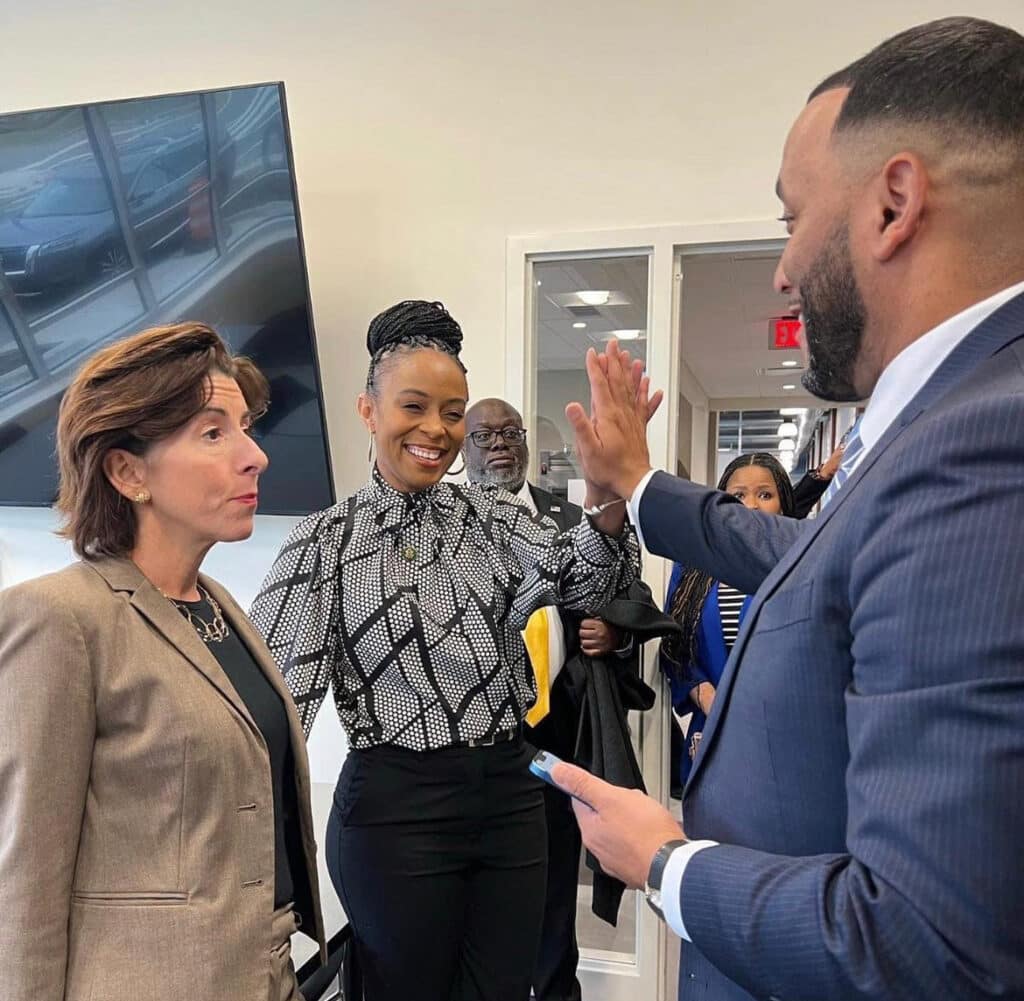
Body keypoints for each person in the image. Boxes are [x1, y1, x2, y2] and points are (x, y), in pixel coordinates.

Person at [552, 17, 1024, 1001]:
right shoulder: (941, 423)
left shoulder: (982, 444)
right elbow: (808, 555)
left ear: (893, 204)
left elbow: (927, 941)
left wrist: (666, 860)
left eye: (790, 218)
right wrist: (638, 486)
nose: (782, 268)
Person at [250, 301, 644, 1001]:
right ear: (368, 410)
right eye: (414, 405)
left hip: (510, 800)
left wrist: (611, 496)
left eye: (452, 411)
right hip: (394, 813)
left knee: (503, 988)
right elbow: (274, 716)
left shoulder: (494, 518)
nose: (436, 428)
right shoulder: (324, 543)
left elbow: (589, 577)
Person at [0, 322, 325, 1001]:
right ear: (127, 471)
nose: (255, 456)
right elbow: (25, 874)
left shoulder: (221, 605)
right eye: (214, 433)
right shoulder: (60, 618)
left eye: (245, 427)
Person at [463, 396, 654, 1001]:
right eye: (483, 435)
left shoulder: (572, 519)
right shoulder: (445, 523)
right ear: (461, 450)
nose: (499, 444)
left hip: (557, 738)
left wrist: (616, 634)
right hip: (471, 743)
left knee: (549, 898)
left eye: (510, 432)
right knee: (478, 900)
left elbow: (629, 588)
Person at [661, 453, 795, 785]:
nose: (751, 506)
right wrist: (706, 696)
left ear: (783, 503)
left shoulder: (802, 563)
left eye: (764, 494)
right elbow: (675, 646)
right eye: (738, 496)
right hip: (711, 731)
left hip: (783, 734)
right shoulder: (693, 565)